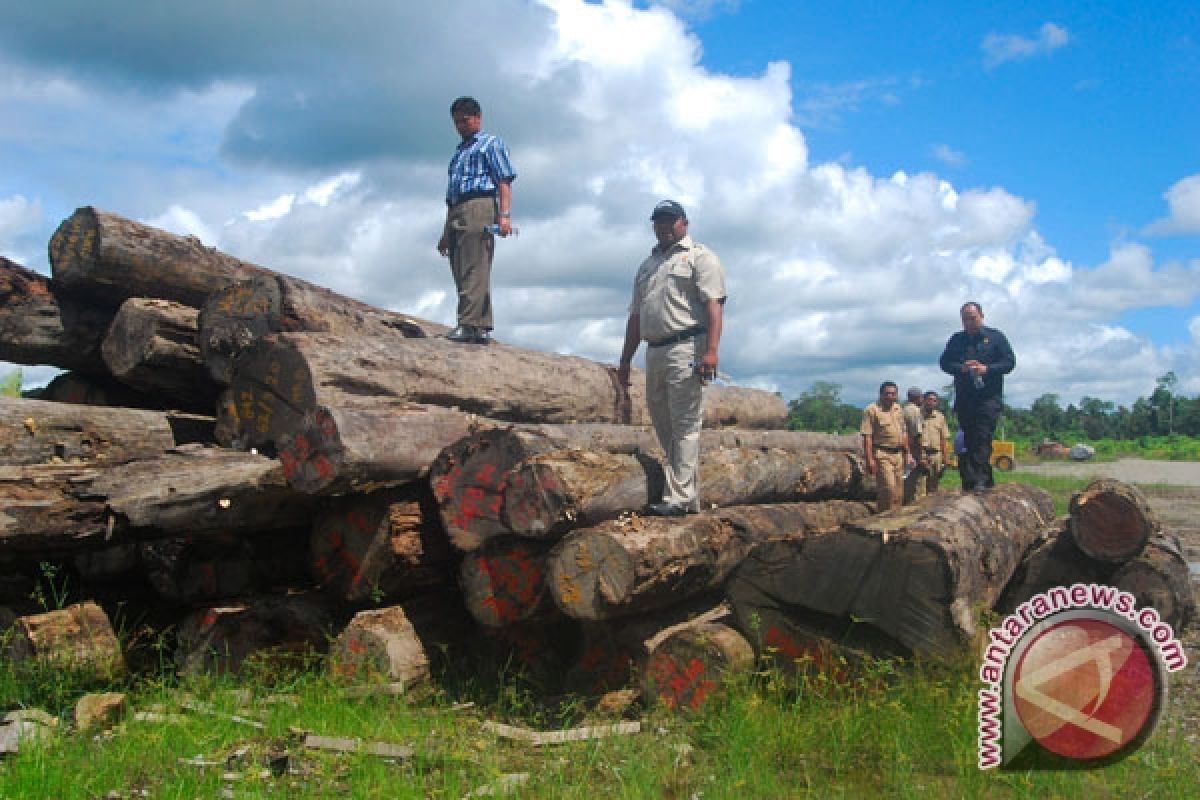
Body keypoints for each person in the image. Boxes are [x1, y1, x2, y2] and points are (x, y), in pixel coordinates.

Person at [616, 200, 726, 516]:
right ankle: (687, 496)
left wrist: (712, 350)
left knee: (686, 422)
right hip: (655, 351)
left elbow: (713, 306)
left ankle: (678, 499)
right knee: (663, 424)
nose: (664, 226)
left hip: (687, 346)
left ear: (684, 223)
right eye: (658, 221)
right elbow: (636, 316)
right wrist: (625, 360)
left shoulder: (700, 258)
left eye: (670, 221)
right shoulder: (647, 265)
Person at [437, 96, 516, 345]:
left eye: (466, 120)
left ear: (478, 118)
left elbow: (504, 180)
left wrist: (504, 215)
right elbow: (451, 194)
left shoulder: (490, 144)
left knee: (474, 265)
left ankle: (469, 324)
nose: (461, 125)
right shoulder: (459, 152)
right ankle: (480, 325)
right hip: (457, 207)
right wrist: (445, 231)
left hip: (479, 204)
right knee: (460, 266)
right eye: (457, 121)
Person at [939, 301, 1015, 491]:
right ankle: (976, 480)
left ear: (981, 316)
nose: (969, 323)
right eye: (965, 319)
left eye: (972, 318)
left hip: (988, 399)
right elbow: (944, 363)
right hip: (965, 399)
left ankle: (978, 480)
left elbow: (1009, 362)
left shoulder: (995, 337)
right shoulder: (957, 340)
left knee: (982, 436)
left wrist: (986, 369)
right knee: (969, 439)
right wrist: (962, 368)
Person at [860, 381, 909, 511]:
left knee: (898, 491)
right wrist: (869, 459)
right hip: (882, 453)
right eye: (887, 394)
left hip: (898, 454)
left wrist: (907, 453)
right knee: (888, 488)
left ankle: (895, 521)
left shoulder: (898, 409)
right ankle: (884, 522)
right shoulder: (872, 410)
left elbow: (903, 432)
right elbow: (867, 436)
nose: (890, 396)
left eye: (893, 394)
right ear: (881, 394)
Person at [916, 390, 950, 498]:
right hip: (922, 455)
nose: (931, 402)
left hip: (936, 455)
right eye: (929, 400)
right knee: (920, 488)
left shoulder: (940, 417)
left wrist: (946, 458)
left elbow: (944, 438)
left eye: (934, 401)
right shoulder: (917, 415)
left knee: (934, 487)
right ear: (924, 400)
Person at [901, 386, 924, 505]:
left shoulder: (903, 409)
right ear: (918, 398)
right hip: (913, 450)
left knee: (907, 481)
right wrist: (921, 456)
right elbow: (917, 435)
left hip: (905, 450)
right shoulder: (914, 411)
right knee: (915, 484)